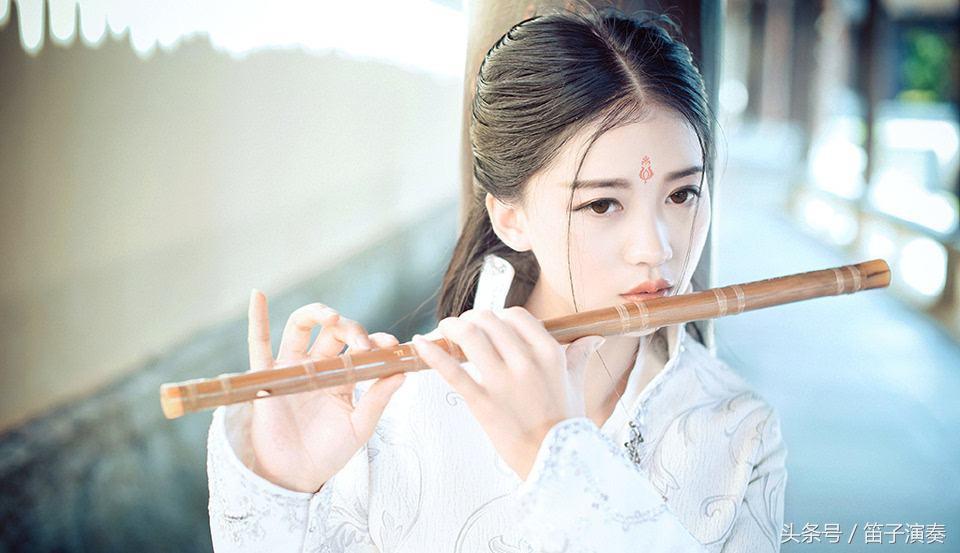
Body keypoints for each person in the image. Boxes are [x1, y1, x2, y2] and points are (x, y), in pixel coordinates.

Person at [206, 6, 787, 552]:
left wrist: (561, 460)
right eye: (602, 204)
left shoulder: (738, 427)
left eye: (682, 194)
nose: (656, 248)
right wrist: (282, 490)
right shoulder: (395, 409)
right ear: (511, 218)